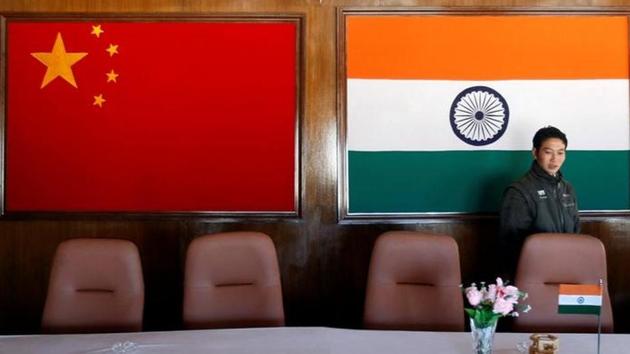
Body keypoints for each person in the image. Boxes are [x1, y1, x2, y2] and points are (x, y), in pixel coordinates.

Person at [498, 126, 580, 278]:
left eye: (560, 152)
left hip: (567, 268)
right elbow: (511, 245)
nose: (555, 159)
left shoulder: (567, 188)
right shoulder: (519, 191)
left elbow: (576, 232)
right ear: (535, 152)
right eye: (548, 152)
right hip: (533, 273)